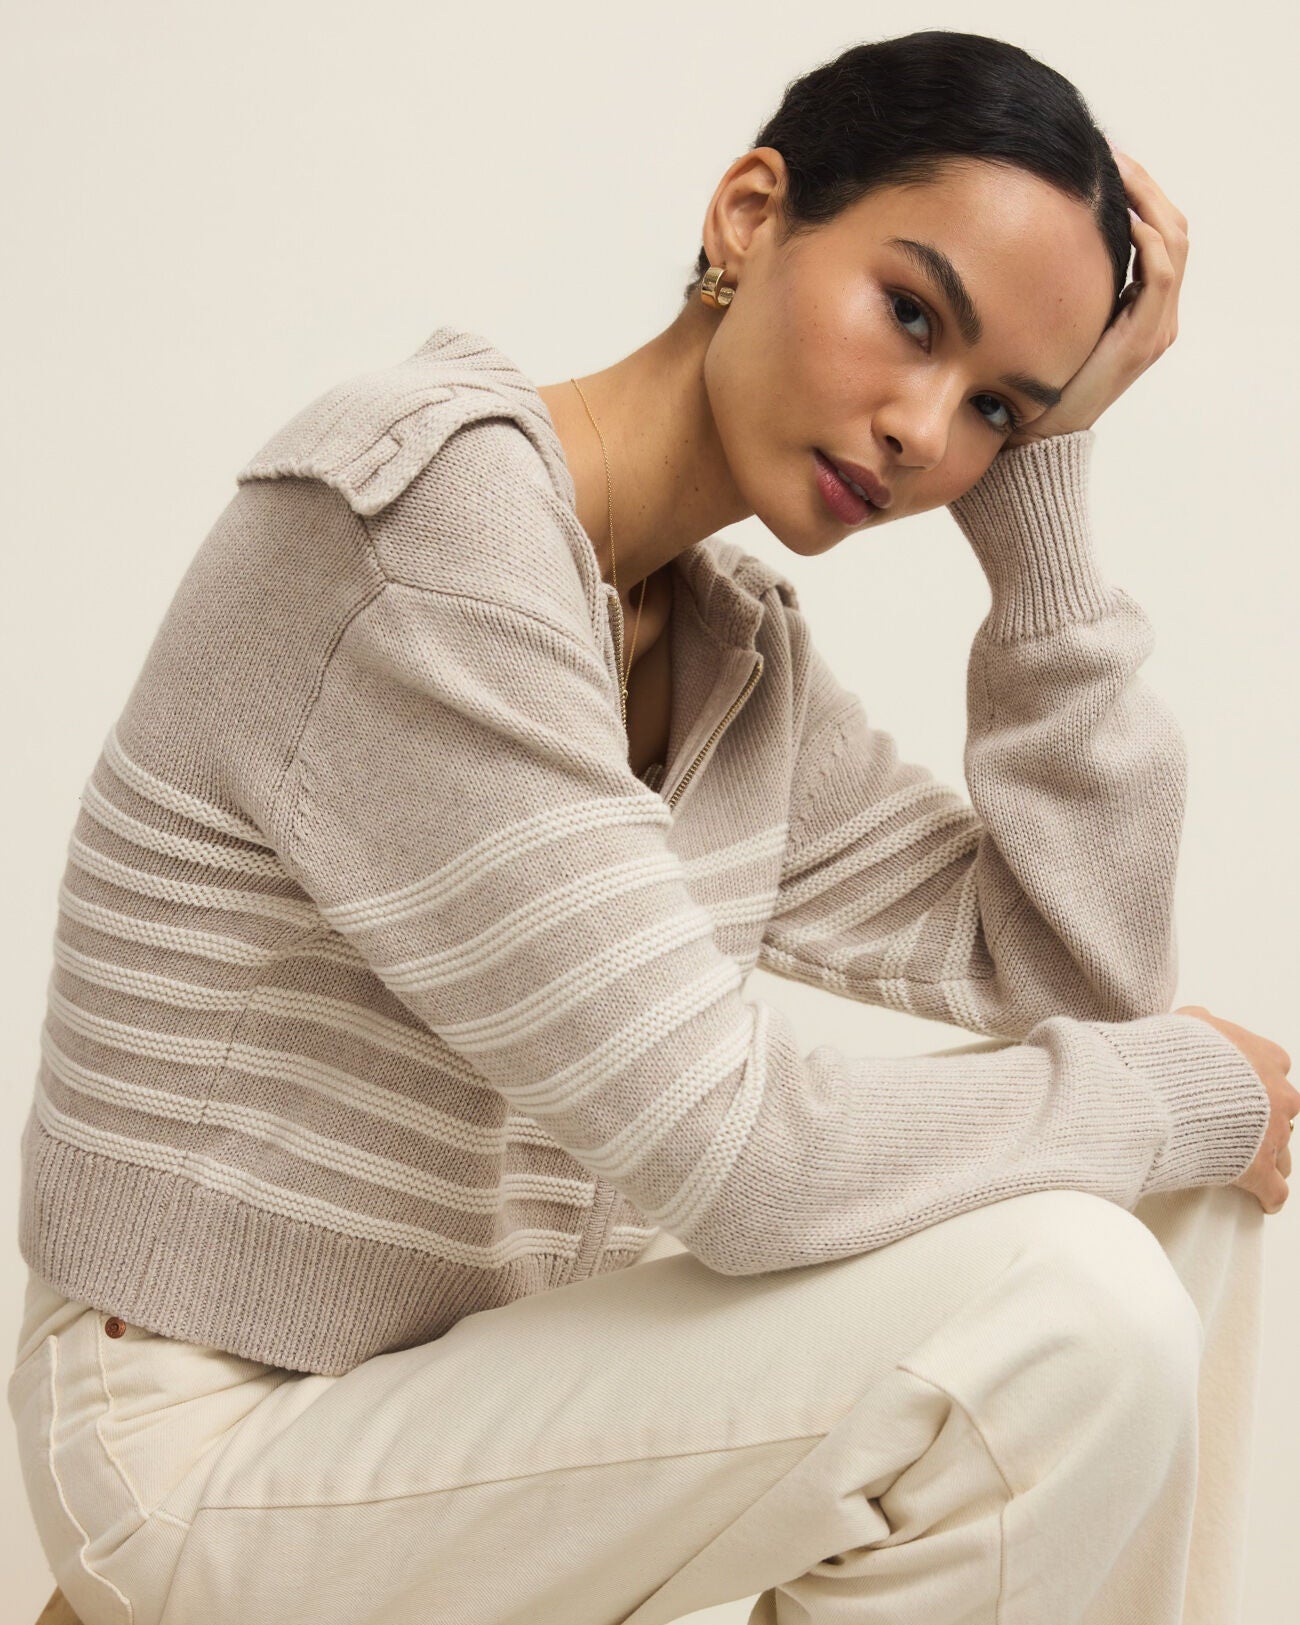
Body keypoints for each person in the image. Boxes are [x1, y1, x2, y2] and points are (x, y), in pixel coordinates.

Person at [9, 26, 1296, 1625]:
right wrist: (1174, 1092)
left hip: (442, 1401)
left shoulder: (726, 653)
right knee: (1080, 1283)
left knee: (1152, 1197)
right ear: (751, 214)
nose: (923, 432)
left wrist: (1052, 495)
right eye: (911, 315)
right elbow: (739, 1158)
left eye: (994, 414)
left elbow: (1079, 976)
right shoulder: (430, 527)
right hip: (199, 1440)